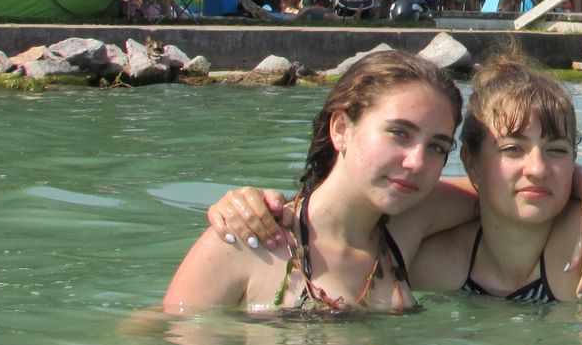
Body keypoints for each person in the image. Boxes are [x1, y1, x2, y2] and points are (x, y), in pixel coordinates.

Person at [201, 78, 582, 305]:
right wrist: (246, 205)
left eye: (435, 146)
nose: (536, 169)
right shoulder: (251, 236)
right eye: (399, 133)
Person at [162, 51, 463, 314]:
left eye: (437, 147)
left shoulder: (406, 227)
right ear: (341, 129)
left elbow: (490, 189)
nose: (417, 162)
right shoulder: (244, 238)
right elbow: (158, 340)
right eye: (399, 133)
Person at [408, 50, 582, 312]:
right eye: (513, 149)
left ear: (573, 160)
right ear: (472, 163)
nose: (538, 170)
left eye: (557, 151)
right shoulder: (431, 262)